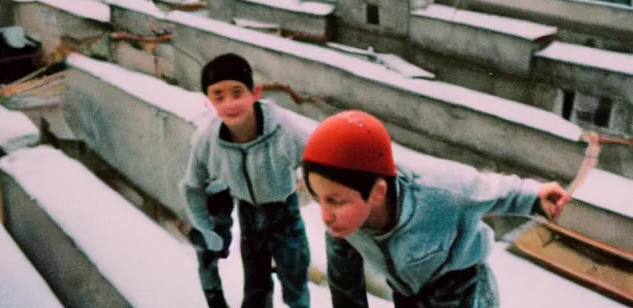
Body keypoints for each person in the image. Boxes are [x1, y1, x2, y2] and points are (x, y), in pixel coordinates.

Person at [302, 110, 570, 308]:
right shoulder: (343, 227)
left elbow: (492, 189)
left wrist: (534, 196)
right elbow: (345, 288)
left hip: (464, 291)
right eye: (319, 199)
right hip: (408, 294)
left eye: (336, 201)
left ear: (377, 192)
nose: (325, 217)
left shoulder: (442, 191)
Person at [181, 53, 311, 308]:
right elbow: (192, 186)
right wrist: (206, 229)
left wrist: (321, 194)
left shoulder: (282, 130)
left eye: (237, 93)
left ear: (255, 92)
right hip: (249, 215)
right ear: (209, 101)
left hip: (284, 212)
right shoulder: (208, 141)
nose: (229, 104)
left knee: (294, 283)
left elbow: (316, 161)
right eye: (218, 95)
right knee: (255, 286)